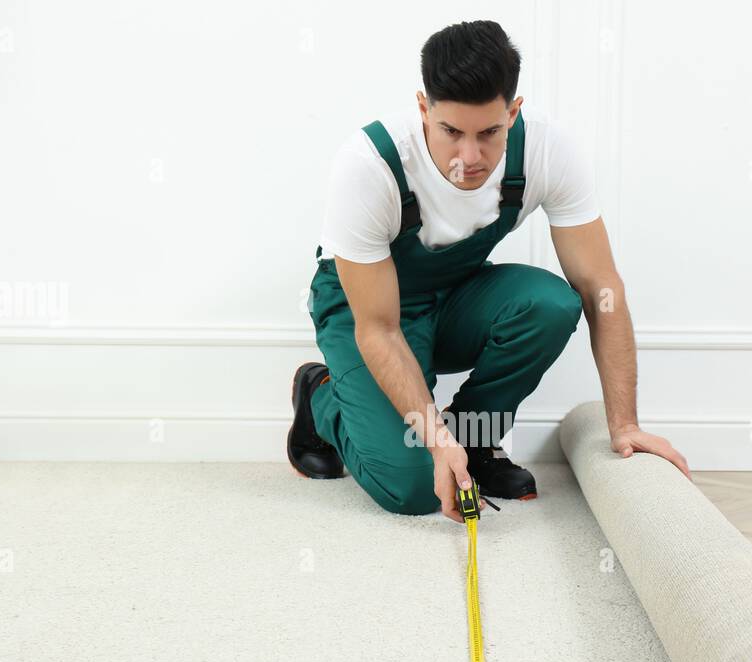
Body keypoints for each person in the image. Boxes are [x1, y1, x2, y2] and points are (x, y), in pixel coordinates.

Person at [288, 20, 690, 523]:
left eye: (489, 133)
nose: (469, 158)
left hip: (454, 297)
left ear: (513, 112)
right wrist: (433, 445)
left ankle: (473, 441)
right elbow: (380, 329)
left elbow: (600, 288)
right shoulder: (369, 167)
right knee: (412, 489)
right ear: (423, 108)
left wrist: (625, 425)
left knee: (552, 304)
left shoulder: (545, 149)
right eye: (451, 132)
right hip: (367, 314)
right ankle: (321, 394)